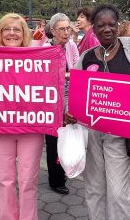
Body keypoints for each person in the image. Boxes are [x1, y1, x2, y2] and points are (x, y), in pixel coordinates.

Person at [65, 5, 130, 220]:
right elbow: (75, 93)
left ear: (118, 26)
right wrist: (68, 112)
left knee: (117, 191)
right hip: (92, 133)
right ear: (93, 30)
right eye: (101, 25)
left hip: (121, 135)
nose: (107, 29)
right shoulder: (87, 57)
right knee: (94, 188)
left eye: (112, 24)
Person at [0, 13, 44, 220]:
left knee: (28, 180)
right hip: (0, 127)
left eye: (17, 29)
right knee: (4, 180)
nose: (12, 33)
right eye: (6, 29)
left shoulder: (38, 58)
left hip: (31, 128)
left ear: (24, 34)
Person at [45, 13, 79, 195]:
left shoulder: (72, 45)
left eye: (68, 28)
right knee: (53, 140)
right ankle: (55, 179)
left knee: (67, 136)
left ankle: (65, 168)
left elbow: (77, 68)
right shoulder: (44, 48)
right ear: (53, 31)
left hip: (68, 96)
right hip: (50, 99)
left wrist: (69, 75)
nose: (66, 32)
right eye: (62, 29)